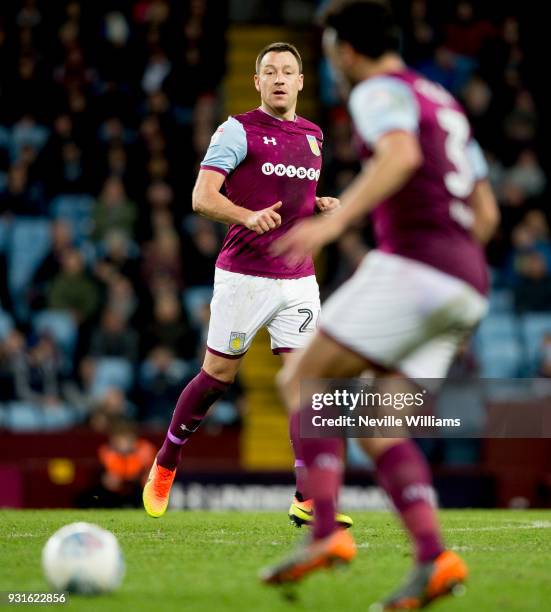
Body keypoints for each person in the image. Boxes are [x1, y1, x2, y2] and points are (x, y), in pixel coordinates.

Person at [261, 2, 499, 610]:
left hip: (414, 266)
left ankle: (324, 536)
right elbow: (488, 214)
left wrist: (329, 230)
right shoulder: (441, 100)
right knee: (377, 425)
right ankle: (433, 560)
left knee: (301, 376)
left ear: (345, 49)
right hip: (466, 280)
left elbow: (399, 157)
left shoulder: (377, 91)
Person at [143, 41, 352, 529]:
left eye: (288, 71)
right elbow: (201, 197)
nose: (279, 78)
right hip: (243, 275)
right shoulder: (236, 130)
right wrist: (245, 216)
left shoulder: (314, 135)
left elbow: (287, 192)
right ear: (257, 81)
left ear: (301, 81)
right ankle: (167, 460)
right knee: (218, 378)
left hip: (298, 279)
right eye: (270, 71)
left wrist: (317, 204)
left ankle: (306, 497)